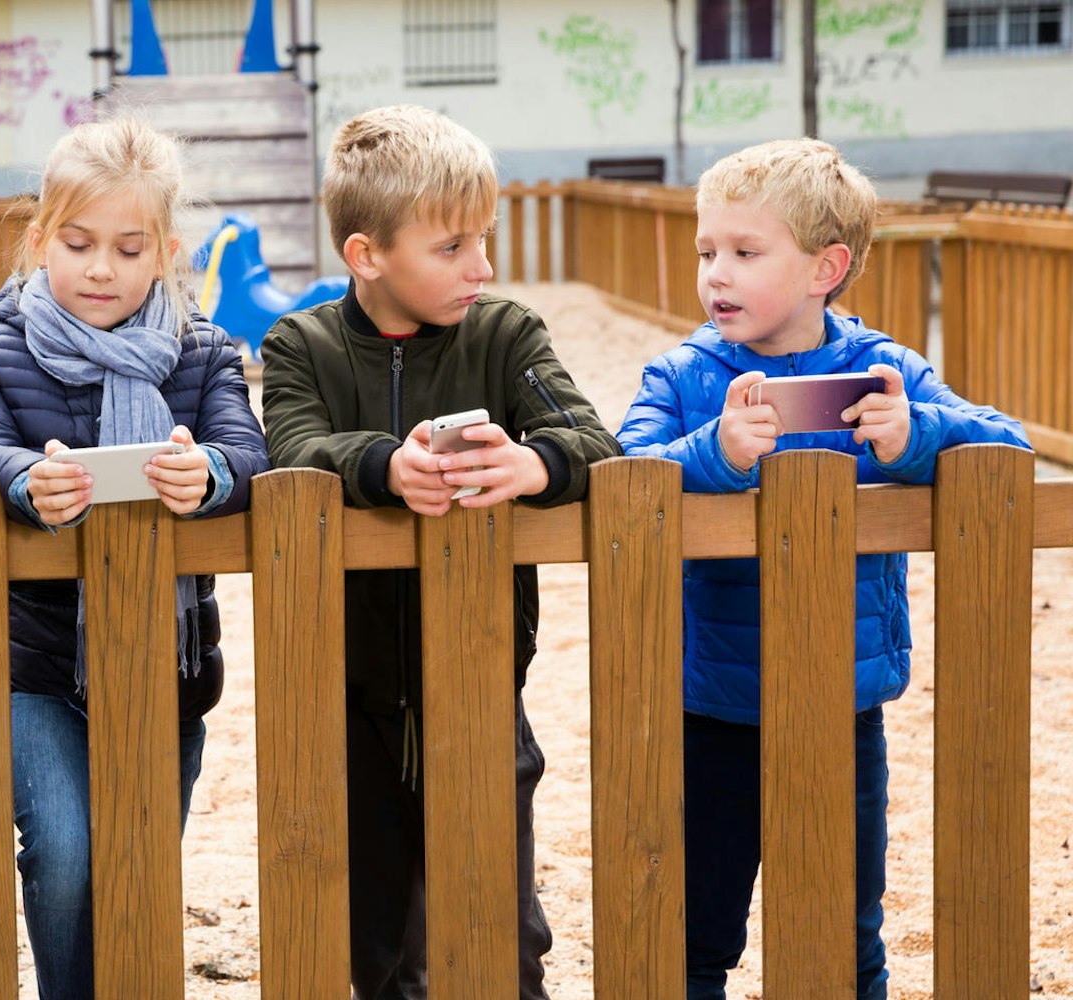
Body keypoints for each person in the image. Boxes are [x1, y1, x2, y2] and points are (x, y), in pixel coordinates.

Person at [615, 137, 1029, 1000]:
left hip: (846, 705)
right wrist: (714, 451)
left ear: (824, 268)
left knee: (848, 934)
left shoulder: (885, 369)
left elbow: (1008, 447)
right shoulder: (684, 375)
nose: (715, 274)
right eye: (706, 252)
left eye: (744, 252)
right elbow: (623, 473)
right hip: (713, 706)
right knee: (697, 933)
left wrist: (917, 436)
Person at [260, 104, 622, 999]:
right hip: (349, 696)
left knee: (503, 934)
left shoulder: (505, 334)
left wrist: (532, 463)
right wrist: (385, 465)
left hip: (484, 679)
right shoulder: (298, 346)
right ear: (366, 254)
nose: (483, 267)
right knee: (372, 940)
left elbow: (596, 441)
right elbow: (292, 451)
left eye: (485, 241)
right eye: (453, 247)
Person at [0, 116, 268, 1000]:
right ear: (41, 238)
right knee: (65, 846)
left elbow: (250, 454)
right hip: (35, 663)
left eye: (129, 249)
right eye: (79, 243)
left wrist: (207, 471)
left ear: (165, 251)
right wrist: (22, 479)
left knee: (139, 856)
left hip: (170, 665)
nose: (100, 268)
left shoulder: (202, 355)